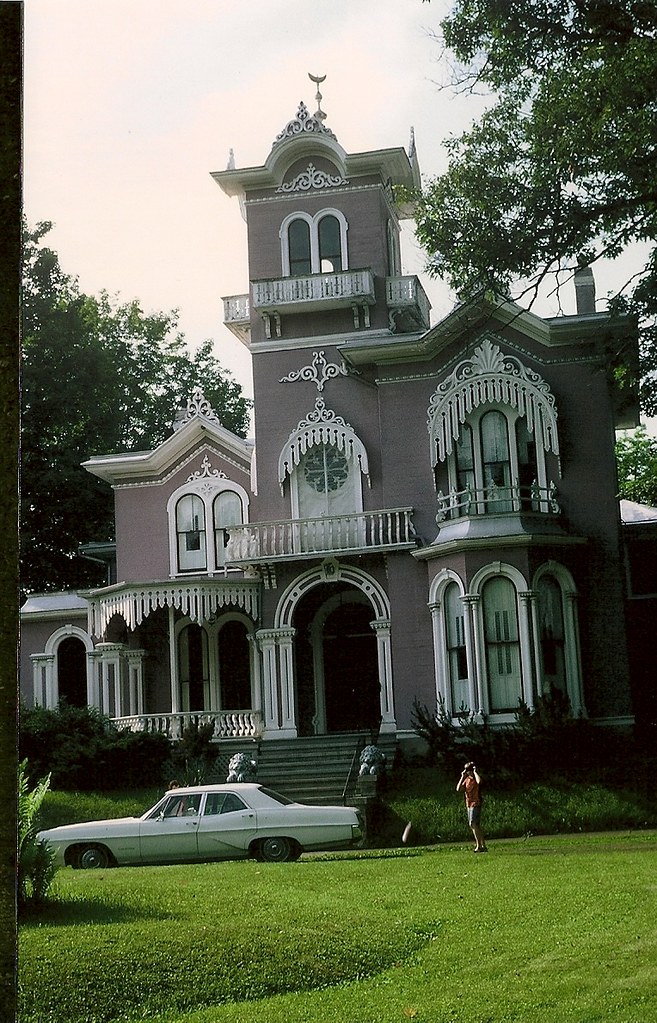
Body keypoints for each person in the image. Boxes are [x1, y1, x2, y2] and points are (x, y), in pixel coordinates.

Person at [456, 761, 487, 852]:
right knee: (475, 825)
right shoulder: (467, 779)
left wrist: (475, 772)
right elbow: (458, 789)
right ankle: (483, 845)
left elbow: (479, 781)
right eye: (467, 771)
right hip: (469, 804)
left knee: (472, 823)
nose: (468, 772)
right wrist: (462, 776)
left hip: (476, 803)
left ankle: (479, 846)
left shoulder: (475, 778)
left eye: (470, 770)